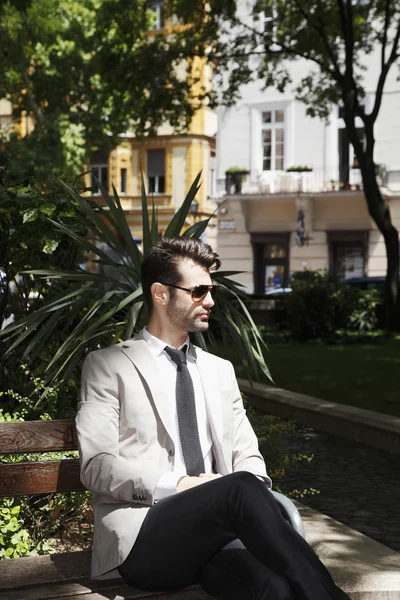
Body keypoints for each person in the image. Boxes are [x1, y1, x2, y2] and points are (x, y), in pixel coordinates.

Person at [76, 236, 350, 600]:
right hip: (146, 539)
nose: (210, 301)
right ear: (160, 294)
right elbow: (96, 465)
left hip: (217, 536)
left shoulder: (219, 370)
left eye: (212, 290)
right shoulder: (109, 366)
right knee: (237, 488)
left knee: (275, 588)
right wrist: (183, 485)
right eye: (199, 290)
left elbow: (248, 456)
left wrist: (234, 492)